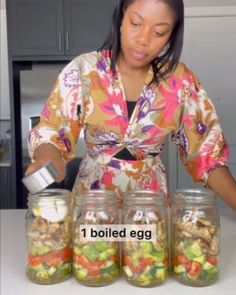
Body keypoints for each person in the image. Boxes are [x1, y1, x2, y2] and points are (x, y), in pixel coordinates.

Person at [26, 0, 236, 210]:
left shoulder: (180, 81)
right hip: (93, 205)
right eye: (136, 23)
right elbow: (53, 128)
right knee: (95, 244)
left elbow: (206, 155)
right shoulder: (85, 70)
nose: (143, 40)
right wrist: (49, 159)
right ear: (121, 18)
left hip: (149, 206)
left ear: (171, 35)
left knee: (146, 243)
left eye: (159, 32)